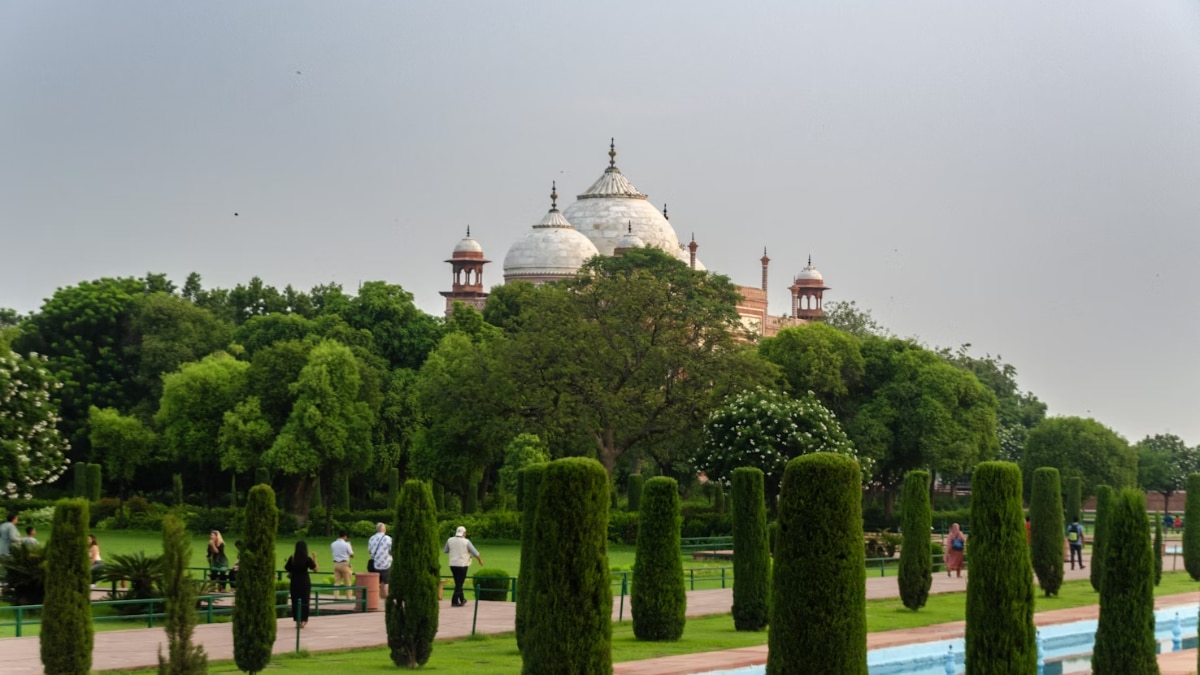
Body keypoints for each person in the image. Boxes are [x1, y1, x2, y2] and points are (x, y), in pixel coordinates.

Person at [443, 526, 483, 607]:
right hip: (462, 565)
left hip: (452, 564)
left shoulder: (450, 540)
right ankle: (454, 601)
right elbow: (475, 553)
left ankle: (462, 599)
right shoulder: (466, 541)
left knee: (458, 582)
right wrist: (480, 560)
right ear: (464, 533)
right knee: (459, 584)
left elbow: (446, 550)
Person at [284, 540, 318, 628]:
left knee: (295, 601)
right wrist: (314, 557)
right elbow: (315, 569)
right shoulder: (307, 559)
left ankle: (297, 620)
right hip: (304, 582)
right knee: (305, 600)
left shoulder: (292, 558)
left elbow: (287, 568)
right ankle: (303, 620)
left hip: (295, 582)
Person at [367, 523, 393, 600]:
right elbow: (391, 550)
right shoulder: (388, 538)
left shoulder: (371, 538)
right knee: (386, 582)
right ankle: (386, 600)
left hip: (374, 564)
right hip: (385, 564)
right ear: (384, 529)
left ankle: (374, 599)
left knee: (375, 583)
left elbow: (369, 551)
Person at [330, 530, 354, 599]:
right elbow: (352, 555)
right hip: (344, 563)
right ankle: (348, 597)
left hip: (336, 563)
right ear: (345, 536)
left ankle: (336, 597)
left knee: (337, 582)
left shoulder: (333, 544)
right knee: (347, 582)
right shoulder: (346, 544)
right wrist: (350, 547)